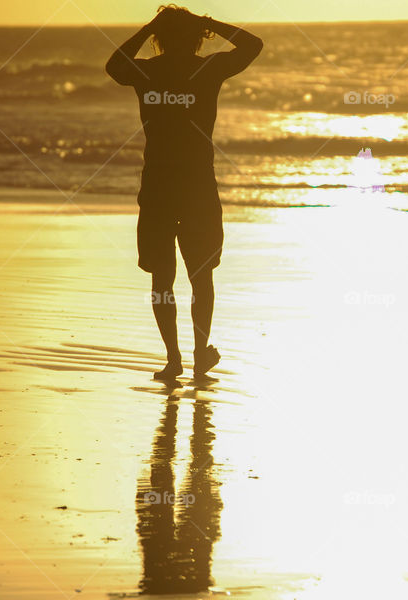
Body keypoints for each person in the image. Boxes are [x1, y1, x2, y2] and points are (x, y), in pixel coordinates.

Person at [106, 5, 262, 379]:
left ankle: (174, 359)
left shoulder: (148, 71)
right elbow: (252, 45)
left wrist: (147, 28)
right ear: (197, 38)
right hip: (196, 185)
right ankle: (196, 355)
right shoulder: (206, 69)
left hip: (159, 185)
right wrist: (209, 24)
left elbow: (114, 65)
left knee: (163, 277)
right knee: (201, 276)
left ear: (160, 38)